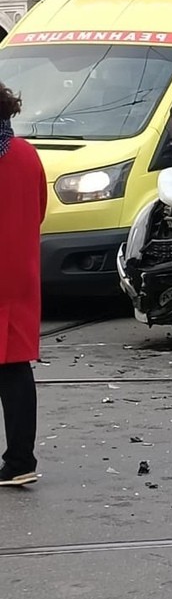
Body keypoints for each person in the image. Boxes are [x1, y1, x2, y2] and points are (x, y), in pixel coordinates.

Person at [0, 82, 47, 487]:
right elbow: (39, 211)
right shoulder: (26, 154)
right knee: (13, 367)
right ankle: (20, 460)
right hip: (17, 275)